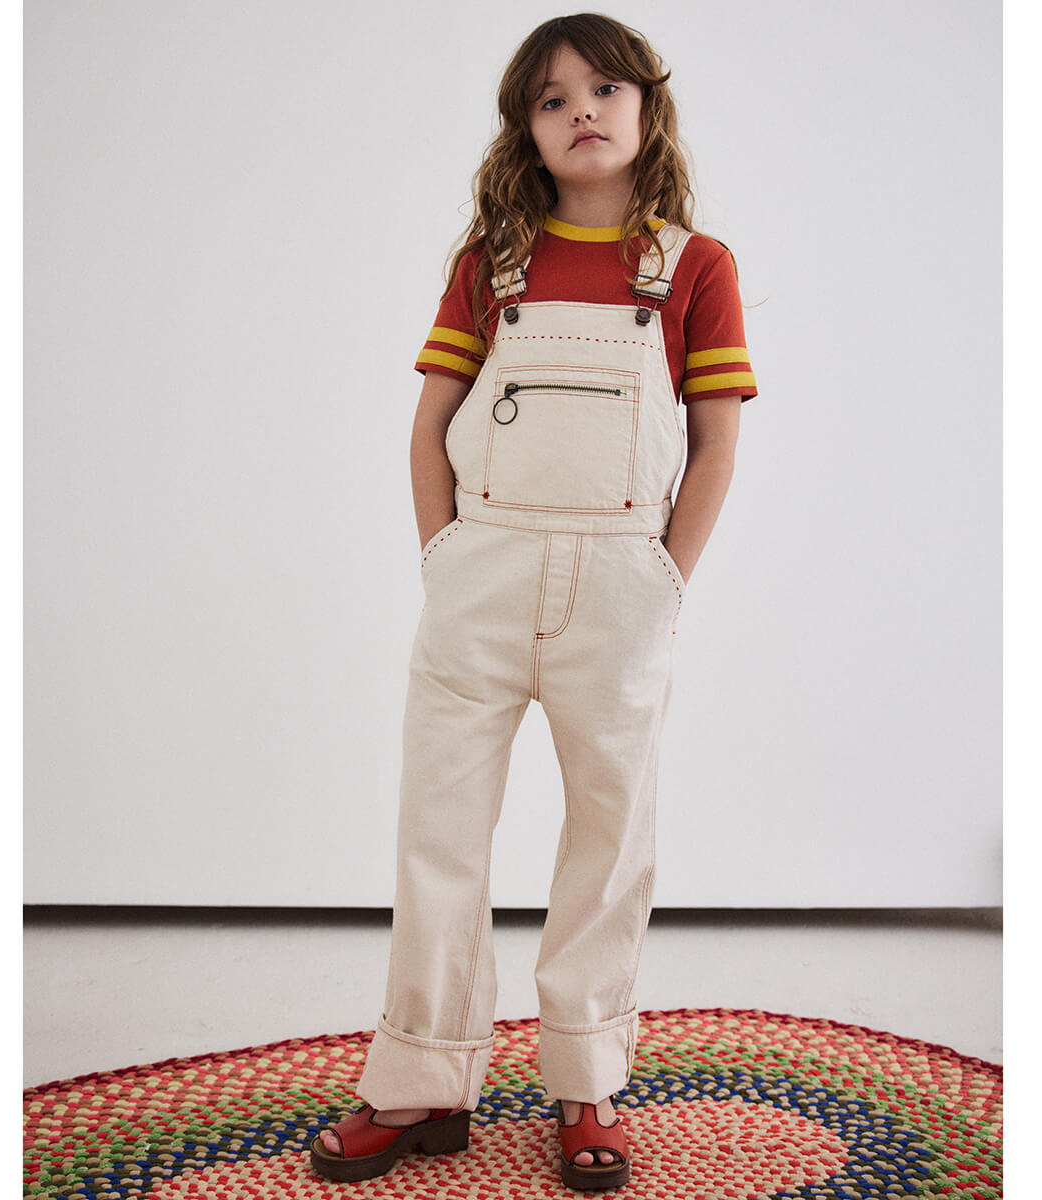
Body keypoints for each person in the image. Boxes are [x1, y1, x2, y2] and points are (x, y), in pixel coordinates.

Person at [308, 11, 758, 1191]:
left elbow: (715, 444)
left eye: (605, 90)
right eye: (553, 99)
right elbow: (430, 427)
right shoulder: (489, 265)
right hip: (484, 574)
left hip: (622, 582)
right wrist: (445, 559)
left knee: (611, 836)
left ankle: (586, 1080)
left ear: (648, 107)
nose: (582, 113)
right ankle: (422, 1080)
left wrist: (666, 579)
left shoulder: (693, 268)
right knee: (439, 827)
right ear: (526, 128)